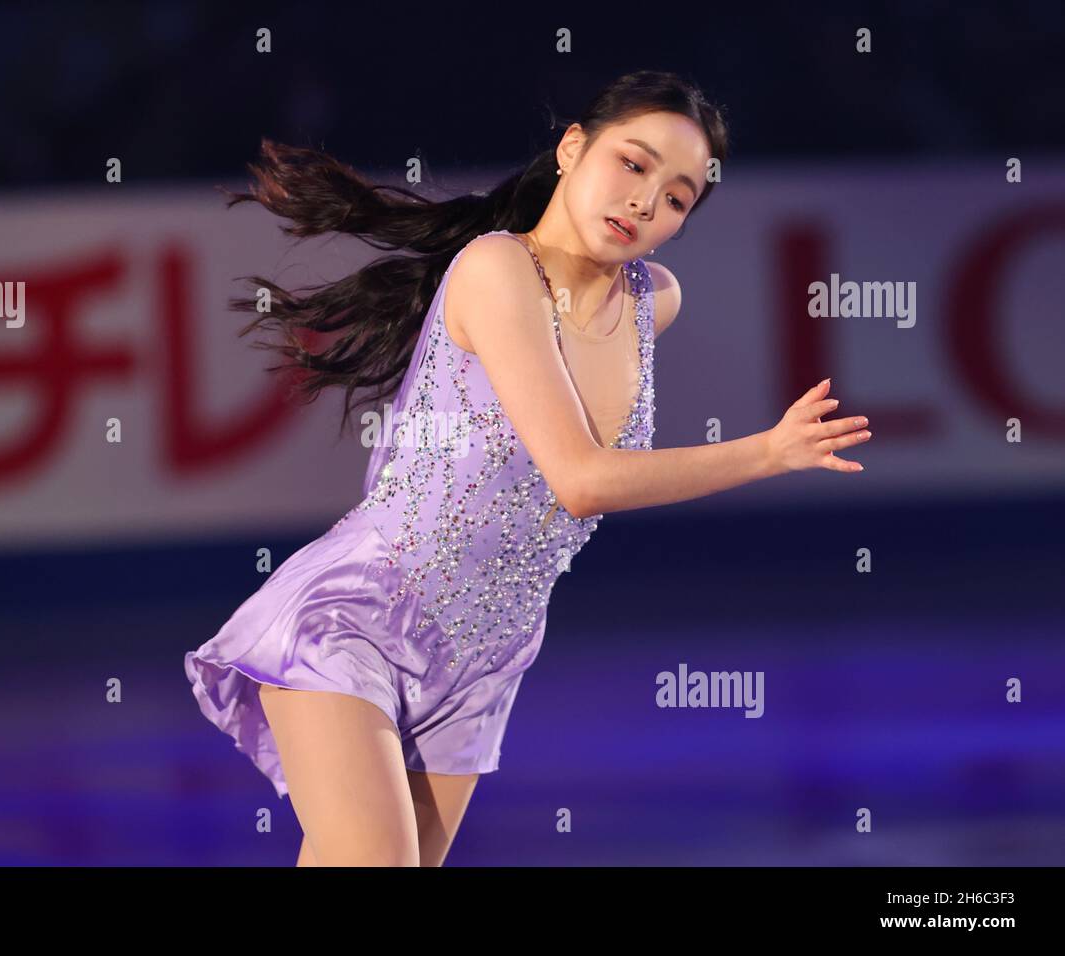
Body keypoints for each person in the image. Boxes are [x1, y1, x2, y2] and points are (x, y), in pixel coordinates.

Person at [183, 70, 871, 866]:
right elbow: (580, 481)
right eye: (633, 164)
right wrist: (767, 452)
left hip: (489, 652)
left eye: (679, 197)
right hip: (359, 612)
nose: (647, 202)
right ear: (573, 148)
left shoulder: (655, 300)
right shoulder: (498, 269)